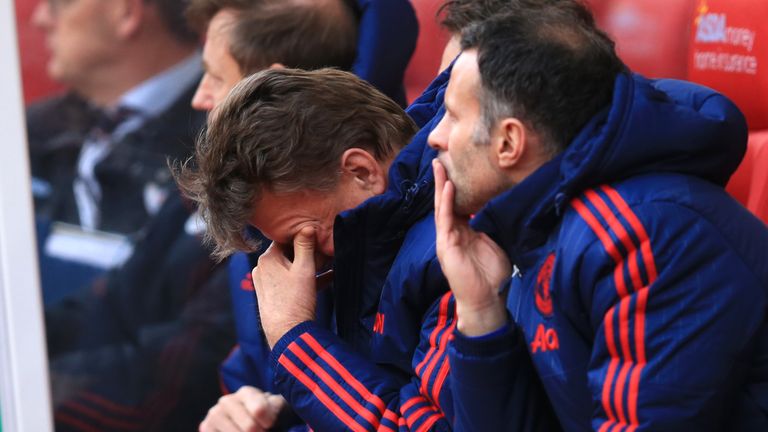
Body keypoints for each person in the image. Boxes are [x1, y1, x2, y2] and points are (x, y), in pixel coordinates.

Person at [429, 3, 768, 430]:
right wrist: (480, 312)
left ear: (508, 142)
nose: (434, 137)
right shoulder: (534, 230)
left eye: (452, 116)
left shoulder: (649, 235)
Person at [178, 65, 559, 431]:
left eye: (304, 235)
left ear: (361, 171)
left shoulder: (455, 247)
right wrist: (276, 420)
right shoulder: (358, 252)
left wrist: (295, 339)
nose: (303, 261)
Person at [183, 0, 418, 429]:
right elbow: (263, 376)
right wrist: (254, 413)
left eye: (216, 75)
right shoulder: (275, 212)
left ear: (267, 85)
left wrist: (297, 342)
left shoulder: (430, 242)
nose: (200, 96)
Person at [28, 0, 204, 235]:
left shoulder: (231, 140)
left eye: (60, 3)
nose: (40, 19)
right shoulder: (30, 133)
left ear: (127, 12)